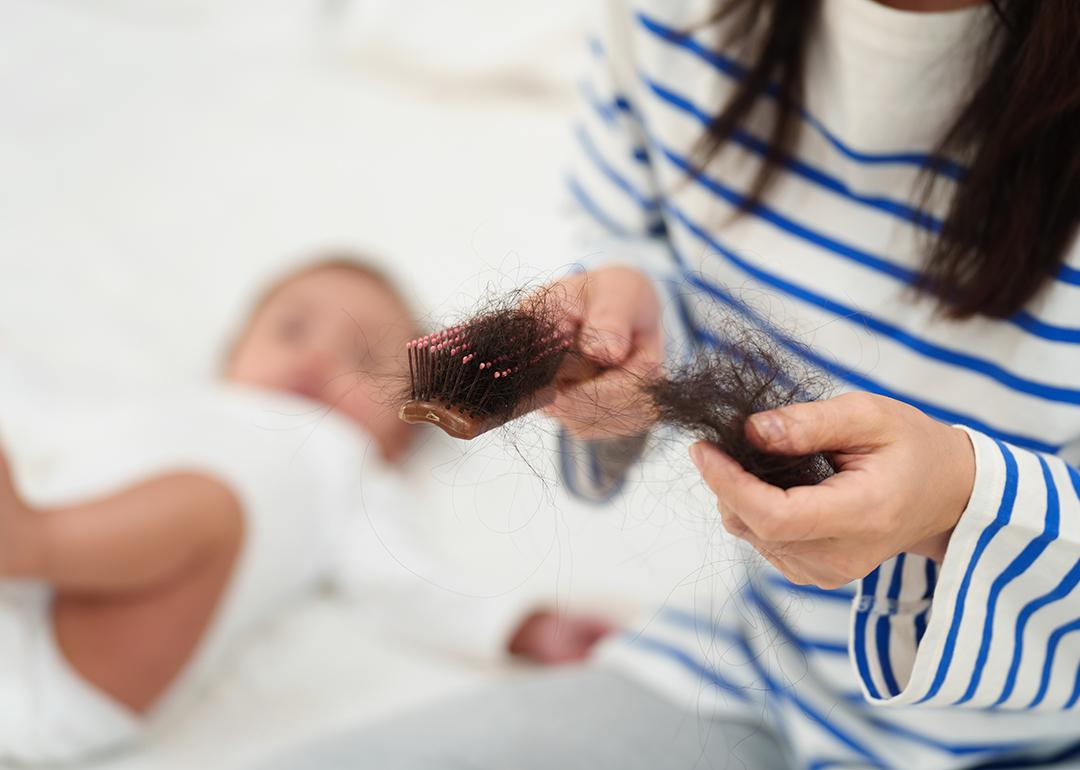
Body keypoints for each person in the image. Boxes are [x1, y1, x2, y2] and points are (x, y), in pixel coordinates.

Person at [255, 0, 1080, 768]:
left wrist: (960, 505)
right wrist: (634, 315)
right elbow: (631, 238)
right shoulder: (678, 18)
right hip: (753, 682)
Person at [0, 257, 612, 764]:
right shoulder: (163, 408)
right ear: (233, 353)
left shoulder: (348, 466)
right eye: (291, 330)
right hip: (17, 594)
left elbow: (408, 580)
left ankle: (32, 543)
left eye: (366, 359)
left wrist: (517, 626)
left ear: (403, 429)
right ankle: (31, 540)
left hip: (82, 662)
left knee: (210, 508)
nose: (319, 357)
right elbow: (42, 422)